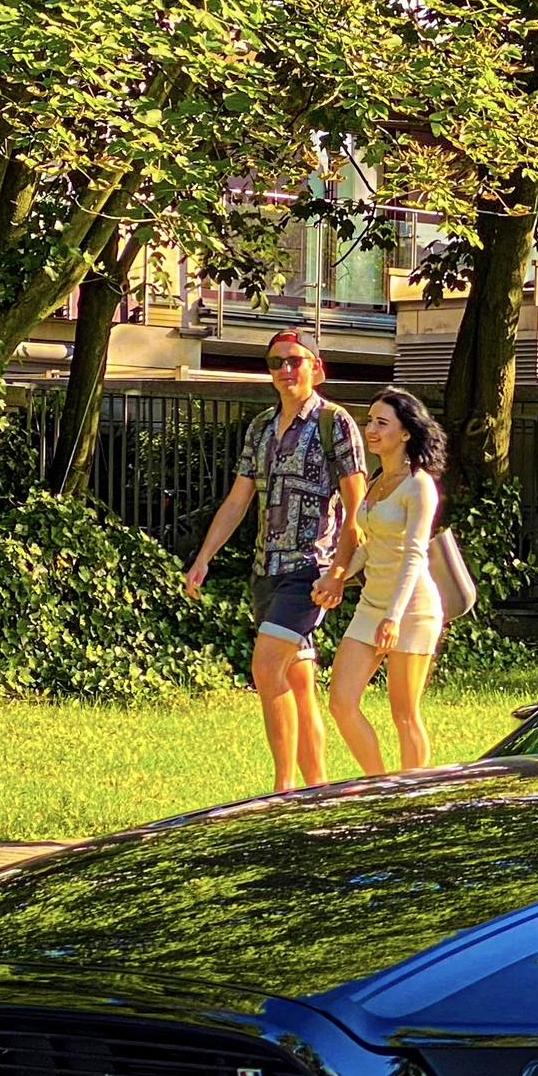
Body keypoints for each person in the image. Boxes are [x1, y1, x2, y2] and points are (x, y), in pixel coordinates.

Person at [183, 331, 367, 792]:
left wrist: (339, 571)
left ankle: (282, 791)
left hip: (310, 572)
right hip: (266, 572)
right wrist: (204, 557)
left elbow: (356, 509)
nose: (285, 370)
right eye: (275, 363)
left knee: (266, 668)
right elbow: (238, 499)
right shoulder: (261, 427)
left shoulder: (335, 422)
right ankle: (317, 793)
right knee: (299, 687)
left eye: (294, 361)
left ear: (316, 368)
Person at [316, 388, 448, 775]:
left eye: (381, 423)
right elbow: (369, 543)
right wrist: (337, 576)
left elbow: (413, 554)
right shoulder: (376, 482)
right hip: (372, 605)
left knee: (404, 713)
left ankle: (413, 796)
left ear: (406, 432)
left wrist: (394, 616)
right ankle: (380, 785)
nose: (370, 429)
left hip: (412, 610)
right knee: (340, 700)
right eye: (369, 421)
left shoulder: (419, 485)